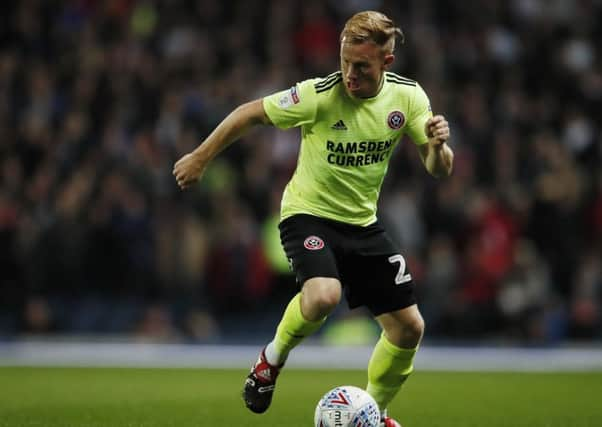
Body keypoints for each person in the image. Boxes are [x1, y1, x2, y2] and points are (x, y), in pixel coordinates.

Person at [173, 10, 453, 427]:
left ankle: (372, 413)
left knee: (409, 328)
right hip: (308, 215)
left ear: (386, 63)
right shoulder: (319, 95)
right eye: (344, 62)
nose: (349, 74)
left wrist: (436, 148)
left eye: (360, 66)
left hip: (362, 223)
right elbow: (250, 113)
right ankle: (270, 361)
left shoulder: (409, 98)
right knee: (323, 296)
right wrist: (200, 157)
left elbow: (438, 169)